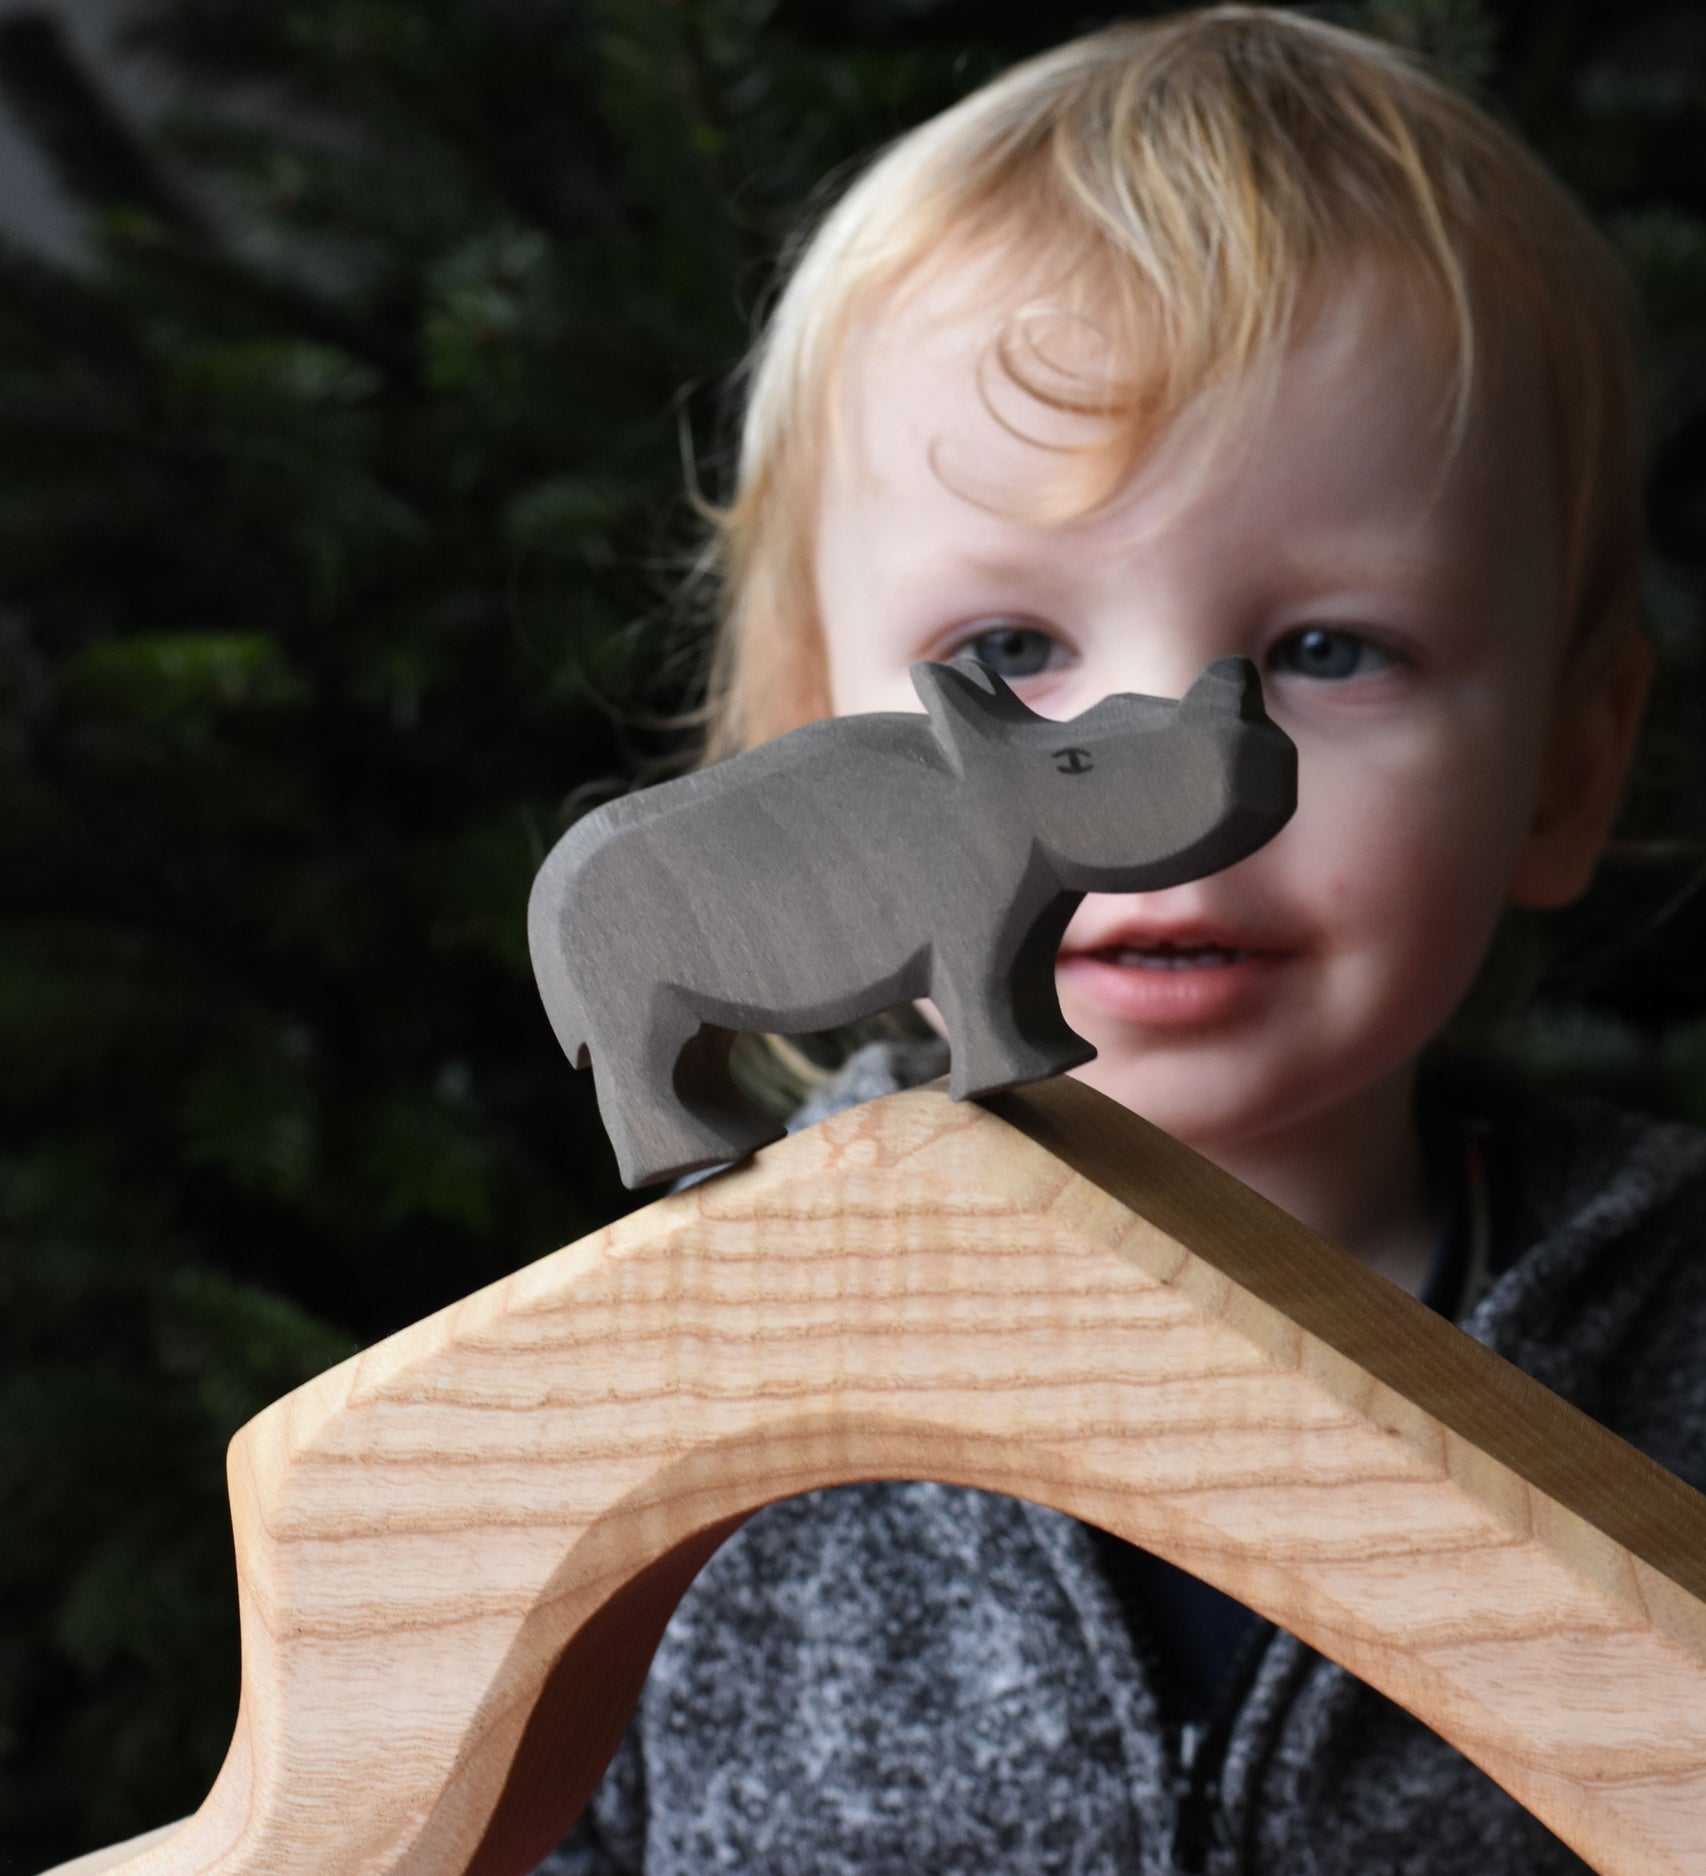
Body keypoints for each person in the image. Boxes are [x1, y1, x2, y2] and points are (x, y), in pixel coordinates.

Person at [537, 9, 1706, 1872]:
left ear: (1568, 769)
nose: (1162, 769)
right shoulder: (663, 1386)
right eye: (1008, 655)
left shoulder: (1675, 1343)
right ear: (796, 744)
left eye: (1327, 653)